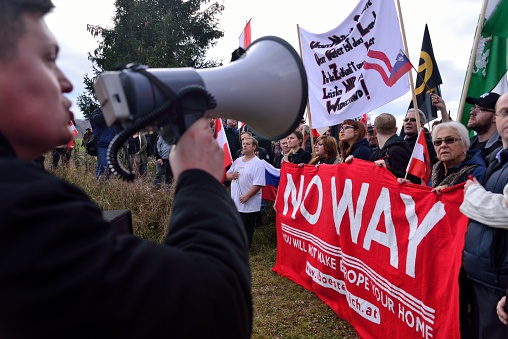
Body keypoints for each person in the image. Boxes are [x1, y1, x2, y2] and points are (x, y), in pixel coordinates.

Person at [0, 2, 252, 337]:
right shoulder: (22, 207)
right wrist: (200, 178)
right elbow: (216, 306)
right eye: (48, 60)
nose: (65, 83)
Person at [462, 91, 508, 339]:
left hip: (500, 279)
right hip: (481, 272)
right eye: (504, 112)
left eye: (481, 108)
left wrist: (471, 196)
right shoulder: (496, 160)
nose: (473, 111)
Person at [226, 136, 265, 248]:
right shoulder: (237, 161)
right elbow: (228, 175)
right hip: (236, 201)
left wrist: (247, 196)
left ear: (254, 147)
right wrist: (231, 176)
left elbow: (258, 184)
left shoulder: (258, 163)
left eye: (248, 144)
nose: (244, 145)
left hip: (249, 202)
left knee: (246, 227)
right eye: (243, 143)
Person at [429, 121, 486, 194]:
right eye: (438, 142)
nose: (443, 145)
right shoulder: (435, 169)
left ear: (464, 146)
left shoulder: (476, 172)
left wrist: (450, 193)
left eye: (449, 140)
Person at [369, 113, 420, 183]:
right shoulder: (377, 154)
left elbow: (410, 180)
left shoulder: (396, 150)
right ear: (395, 130)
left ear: (375, 131)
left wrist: (387, 170)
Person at [466, 92, 502, 160]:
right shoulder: (467, 145)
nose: (472, 112)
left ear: (495, 117)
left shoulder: (501, 150)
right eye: (474, 107)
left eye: (480, 109)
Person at [90, 107, 117, 179]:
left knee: (110, 169)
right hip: (103, 144)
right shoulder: (97, 112)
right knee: (102, 167)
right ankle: (99, 187)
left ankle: (104, 188)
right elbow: (97, 121)